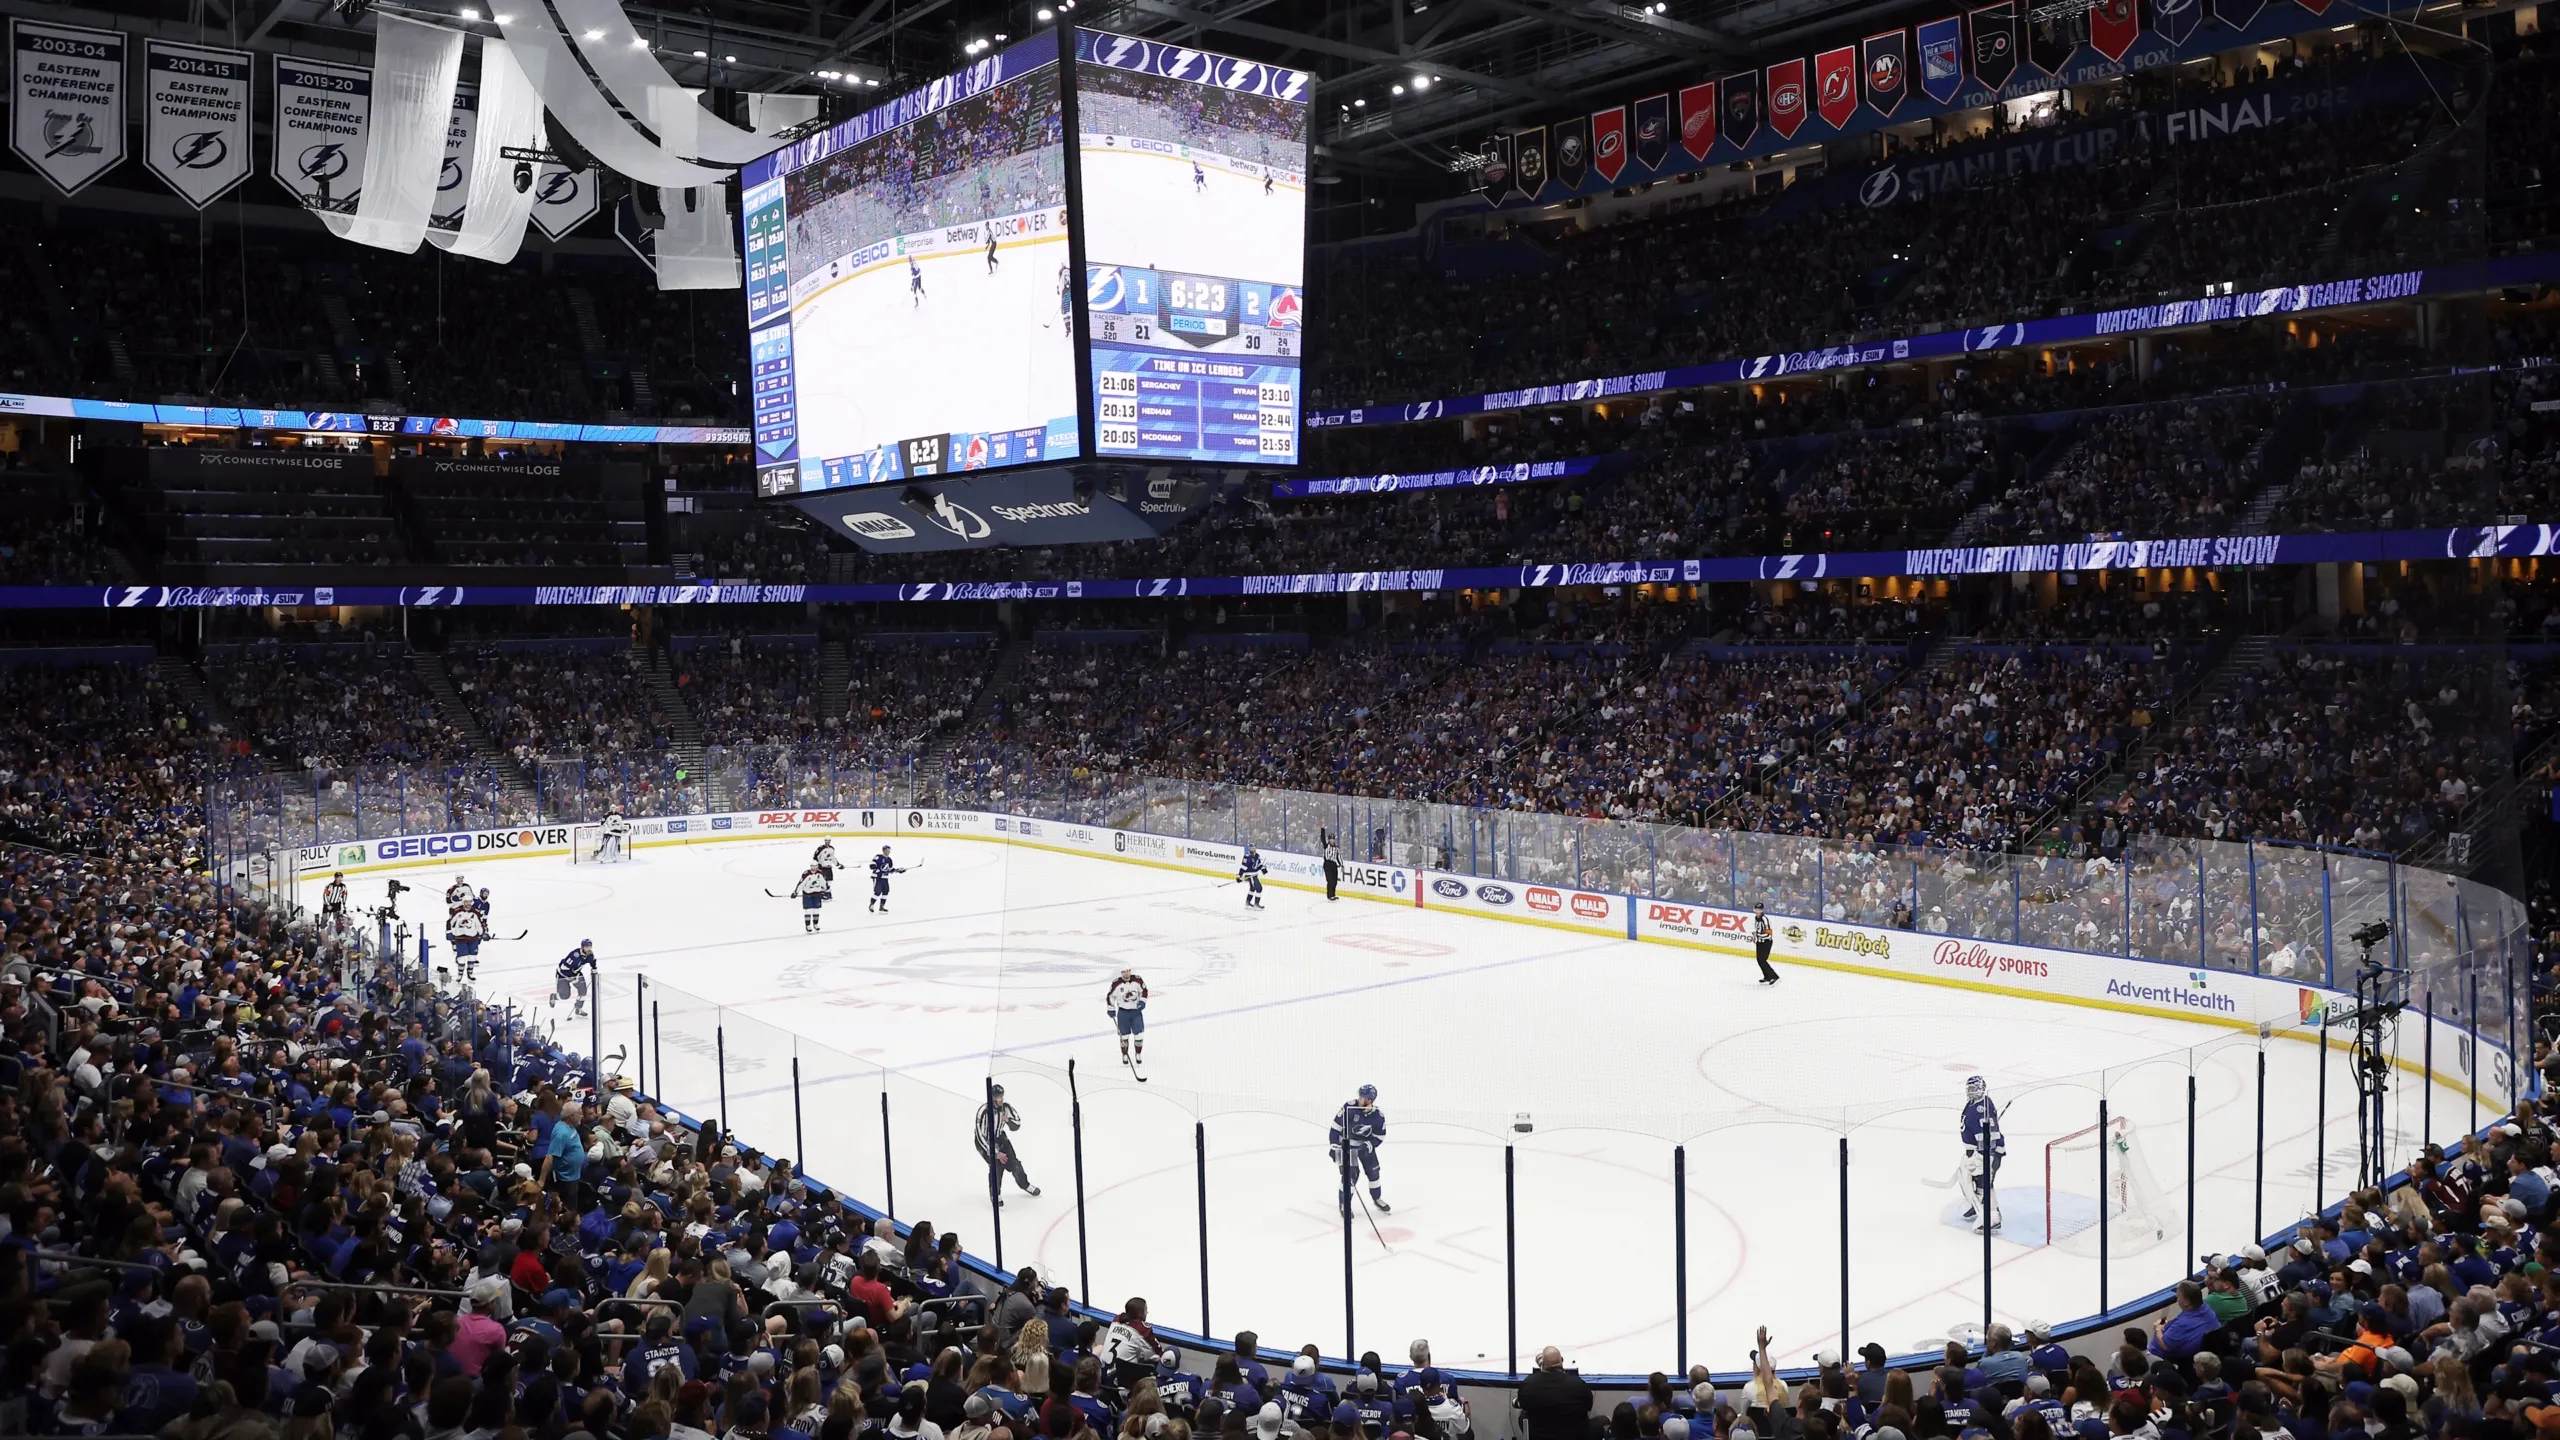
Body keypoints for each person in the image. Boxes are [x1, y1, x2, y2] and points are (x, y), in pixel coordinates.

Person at [976, 1083, 1041, 1204]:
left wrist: (1007, 1120)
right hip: (986, 1142)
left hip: (1000, 1137)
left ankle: (1025, 1184)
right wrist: (995, 1153)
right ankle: (995, 1194)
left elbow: (1017, 1123)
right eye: (998, 1097)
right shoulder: (983, 1111)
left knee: (1014, 1163)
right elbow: (980, 1137)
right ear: (993, 1098)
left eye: (1002, 1096)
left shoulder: (1005, 1108)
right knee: (996, 1166)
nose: (1001, 1099)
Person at [1330, 1084, 1388, 1214]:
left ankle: (1377, 1198)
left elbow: (1380, 1136)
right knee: (1351, 1176)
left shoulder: (1378, 1115)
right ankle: (1344, 1204)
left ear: (1369, 1100)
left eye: (1362, 1097)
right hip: (1348, 1148)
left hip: (1365, 1148)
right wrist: (1334, 1147)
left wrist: (1369, 1144)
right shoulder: (1349, 1107)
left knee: (1374, 1173)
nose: (1359, 1099)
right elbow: (1335, 1128)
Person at [1962, 1074, 2004, 1232]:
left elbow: (1989, 1136)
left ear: (1981, 1089)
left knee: (1985, 1183)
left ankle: (1993, 1216)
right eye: (1969, 1089)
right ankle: (1978, 1206)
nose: (1971, 1092)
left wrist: (1982, 1156)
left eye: (1974, 1089)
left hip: (1987, 1152)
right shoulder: (1975, 1103)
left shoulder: (1982, 1108)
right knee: (1973, 1181)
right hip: (1977, 1152)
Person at [1517, 1349, 1589, 1440]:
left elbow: (1523, 1404)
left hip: (1539, 1436)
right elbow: (1587, 1406)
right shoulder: (1578, 1385)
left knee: (1523, 1417)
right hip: (1572, 1435)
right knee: (1602, 1421)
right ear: (1561, 1362)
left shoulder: (1528, 1384)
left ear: (1543, 1364)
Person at [1106, 970, 1149, 1078]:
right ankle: (1125, 1054)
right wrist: (1111, 1007)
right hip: (1123, 1013)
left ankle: (1138, 1053)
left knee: (1139, 1034)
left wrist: (1143, 1001)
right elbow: (1110, 996)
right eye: (1124, 972)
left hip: (1136, 1012)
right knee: (1124, 1035)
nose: (1126, 974)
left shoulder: (1137, 980)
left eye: (1128, 971)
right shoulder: (1116, 983)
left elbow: (1144, 991)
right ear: (1121, 973)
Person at [556, 939, 599, 1019]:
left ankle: (578, 1009)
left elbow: (592, 961)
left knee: (583, 991)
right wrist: (572, 978)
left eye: (590, 946)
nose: (589, 948)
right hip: (563, 975)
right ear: (582, 947)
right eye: (587, 947)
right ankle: (554, 997)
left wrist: (594, 968)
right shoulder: (575, 955)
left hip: (576, 973)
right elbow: (564, 968)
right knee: (565, 996)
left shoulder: (590, 954)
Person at [792, 863, 834, 933]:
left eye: (815, 866)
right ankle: (808, 925)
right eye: (812, 866)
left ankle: (816, 924)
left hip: (817, 894)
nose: (813, 868)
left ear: (817, 866)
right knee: (808, 910)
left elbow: (823, 883)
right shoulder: (806, 874)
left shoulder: (820, 874)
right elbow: (801, 884)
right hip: (807, 894)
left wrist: (825, 890)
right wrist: (796, 892)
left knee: (816, 910)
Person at [871, 846, 907, 913]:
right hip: (878, 877)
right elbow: (872, 864)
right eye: (888, 850)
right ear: (884, 850)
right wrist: (875, 868)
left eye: (889, 850)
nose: (889, 851)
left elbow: (890, 869)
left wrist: (898, 870)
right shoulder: (878, 857)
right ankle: (871, 905)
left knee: (886, 891)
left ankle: (882, 906)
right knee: (878, 892)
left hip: (885, 878)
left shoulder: (889, 860)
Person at [1750, 903, 1779, 984]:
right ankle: (1767, 976)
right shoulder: (1756, 918)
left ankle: (1774, 976)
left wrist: (1758, 935)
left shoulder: (1765, 919)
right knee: (1759, 960)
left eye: (1759, 909)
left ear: (1762, 910)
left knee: (1762, 960)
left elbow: (1768, 933)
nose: (1757, 911)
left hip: (1766, 942)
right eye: (1756, 909)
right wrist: (1755, 936)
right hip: (1759, 942)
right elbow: (1757, 930)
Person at [1237, 846, 1268, 910]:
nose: (1253, 849)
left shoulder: (1257, 855)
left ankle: (1247, 903)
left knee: (1252, 888)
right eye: (1252, 848)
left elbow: (1259, 865)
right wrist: (1239, 876)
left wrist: (1263, 869)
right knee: (1259, 888)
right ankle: (1256, 904)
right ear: (1249, 849)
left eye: (1254, 848)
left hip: (1255, 875)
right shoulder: (1247, 857)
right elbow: (1243, 867)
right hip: (1250, 876)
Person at [1320, 830, 1340, 902]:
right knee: (1330, 880)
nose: (1332, 841)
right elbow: (1322, 838)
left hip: (1334, 865)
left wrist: (1340, 864)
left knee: (1334, 881)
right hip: (1327, 864)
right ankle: (1329, 895)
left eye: (1333, 839)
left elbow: (1338, 857)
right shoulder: (1326, 846)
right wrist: (1322, 830)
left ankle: (1333, 894)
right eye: (1330, 839)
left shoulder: (1336, 848)